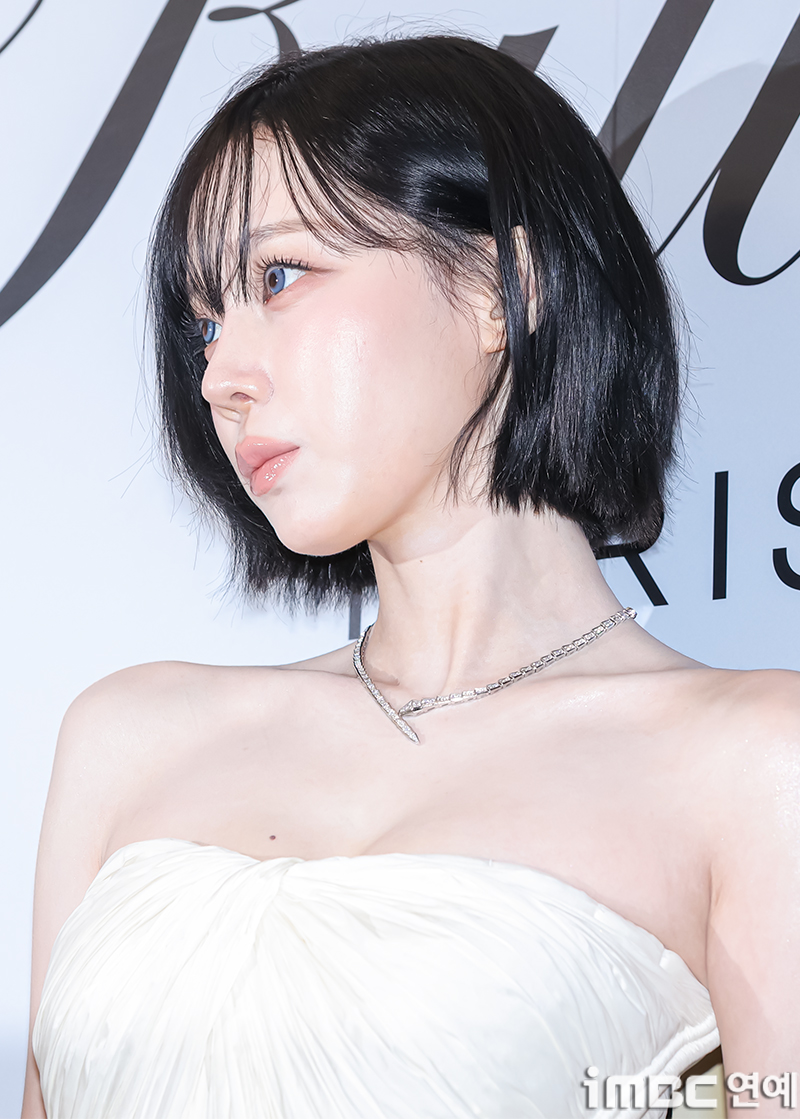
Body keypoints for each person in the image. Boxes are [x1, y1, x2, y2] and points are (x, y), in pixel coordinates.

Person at [22, 34, 800, 1119]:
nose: (219, 377)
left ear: (499, 288)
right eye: (203, 326)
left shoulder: (752, 764)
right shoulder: (126, 738)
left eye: (279, 277)